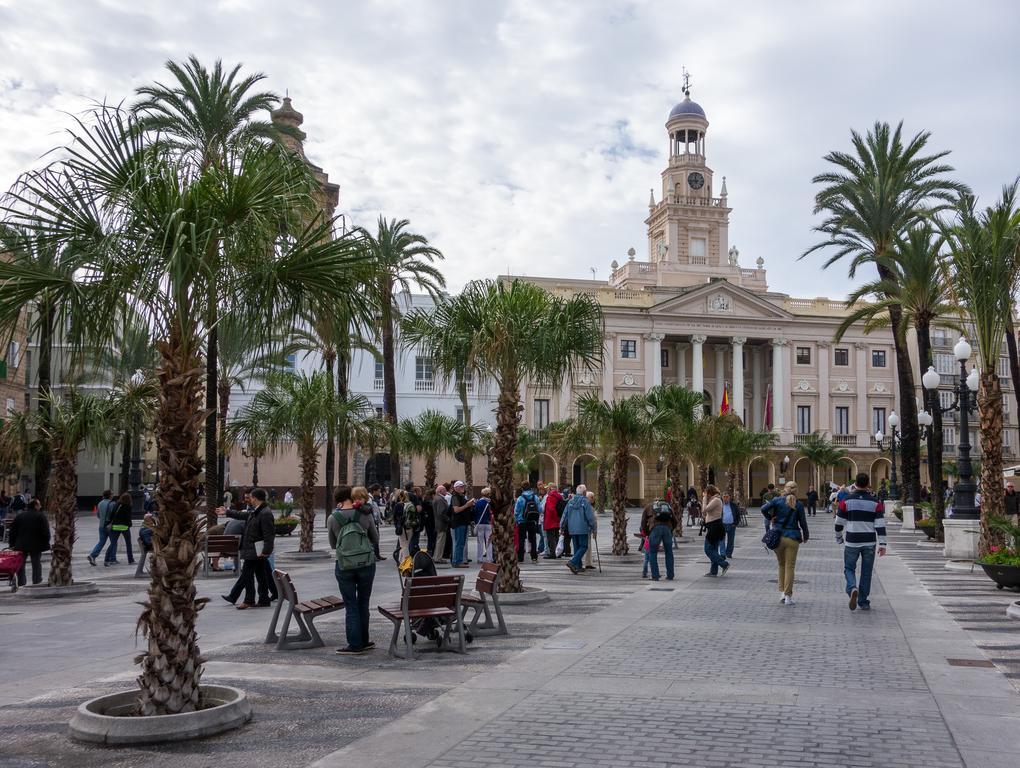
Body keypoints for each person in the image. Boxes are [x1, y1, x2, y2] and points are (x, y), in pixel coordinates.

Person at [329, 485, 379, 654]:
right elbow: (375, 538)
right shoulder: (365, 514)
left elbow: (333, 544)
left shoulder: (333, 518)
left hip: (344, 565)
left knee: (351, 605)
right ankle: (364, 641)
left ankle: (355, 644)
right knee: (363, 603)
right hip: (366, 563)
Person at [835, 472, 886, 612]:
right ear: (868, 484)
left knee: (849, 568)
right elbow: (880, 525)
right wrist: (882, 544)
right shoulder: (875, 503)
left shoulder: (846, 500)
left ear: (855, 484)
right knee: (866, 572)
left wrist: (838, 537)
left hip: (852, 540)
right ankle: (863, 601)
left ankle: (852, 588)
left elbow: (839, 522)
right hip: (869, 541)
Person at [221, 487, 275, 609]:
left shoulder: (265, 513)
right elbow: (242, 515)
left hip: (256, 551)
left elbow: (269, 534)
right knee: (261, 575)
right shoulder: (257, 511)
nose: (249, 499)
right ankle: (264, 599)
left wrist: (266, 551)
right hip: (253, 550)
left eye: (250, 497)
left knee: (247, 574)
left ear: (255, 498)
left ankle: (249, 600)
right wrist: (227, 512)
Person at [762, 481, 810, 605]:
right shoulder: (798, 504)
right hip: (792, 538)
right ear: (796, 491)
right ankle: (788, 596)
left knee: (781, 565)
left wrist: (770, 518)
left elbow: (763, 509)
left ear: (785, 489)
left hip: (778, 537)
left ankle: (782, 592)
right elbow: (803, 522)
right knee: (790, 567)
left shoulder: (777, 500)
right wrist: (806, 535)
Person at [9, 497, 50, 586]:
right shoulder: (40, 516)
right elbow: (46, 532)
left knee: (20, 564)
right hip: (36, 545)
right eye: (39, 505)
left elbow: (12, 531)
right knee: (36, 563)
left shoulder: (20, 516)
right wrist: (46, 542)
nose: (41, 506)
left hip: (21, 545)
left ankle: (21, 582)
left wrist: (12, 544)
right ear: (35, 506)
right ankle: (37, 581)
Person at [560, 484, 596, 575]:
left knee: (577, 547)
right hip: (582, 527)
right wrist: (593, 528)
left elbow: (565, 515)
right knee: (584, 546)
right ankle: (572, 562)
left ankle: (578, 566)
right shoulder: (585, 502)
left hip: (572, 528)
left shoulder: (570, 501)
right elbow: (590, 517)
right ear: (584, 492)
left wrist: (562, 527)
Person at [701, 485, 729, 577]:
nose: (705, 495)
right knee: (713, 549)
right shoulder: (714, 500)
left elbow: (704, 510)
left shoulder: (716, 500)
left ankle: (724, 564)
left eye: (706, 493)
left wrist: (704, 499)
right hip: (714, 526)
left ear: (710, 493)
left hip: (715, 527)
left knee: (708, 549)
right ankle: (713, 571)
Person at [646, 500, 675, 580]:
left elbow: (643, 522)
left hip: (655, 529)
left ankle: (655, 575)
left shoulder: (648, 506)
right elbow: (674, 520)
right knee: (669, 552)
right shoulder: (667, 506)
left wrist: (647, 533)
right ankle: (670, 575)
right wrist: (671, 530)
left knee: (653, 552)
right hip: (667, 529)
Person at [104, 492, 135, 566]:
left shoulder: (117, 505)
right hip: (124, 527)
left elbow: (112, 515)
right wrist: (129, 524)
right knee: (128, 544)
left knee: (112, 543)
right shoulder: (128, 506)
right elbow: (128, 517)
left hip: (115, 526)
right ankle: (130, 560)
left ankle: (106, 560)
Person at [86, 490, 115, 566]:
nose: (113, 495)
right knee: (114, 542)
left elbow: (98, 515)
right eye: (112, 494)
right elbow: (114, 515)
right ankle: (111, 559)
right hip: (109, 525)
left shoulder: (100, 503)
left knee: (101, 542)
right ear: (109, 495)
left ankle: (93, 555)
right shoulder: (112, 504)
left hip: (101, 525)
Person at [514, 481, 541, 563]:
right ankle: (534, 557)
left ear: (522, 488)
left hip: (522, 521)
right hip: (532, 521)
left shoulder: (520, 498)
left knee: (521, 539)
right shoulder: (535, 497)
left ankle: (520, 557)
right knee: (533, 539)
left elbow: (516, 511)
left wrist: (517, 519)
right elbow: (539, 509)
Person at [449, 480, 474, 568]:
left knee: (461, 543)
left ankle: (458, 561)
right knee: (459, 543)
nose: (463, 488)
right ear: (456, 488)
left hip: (463, 522)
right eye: (461, 486)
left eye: (463, 486)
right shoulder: (455, 497)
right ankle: (456, 561)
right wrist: (467, 505)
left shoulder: (460, 496)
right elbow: (456, 510)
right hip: (459, 523)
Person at [542, 485, 564, 559]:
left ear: (551, 489)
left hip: (550, 521)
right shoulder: (559, 497)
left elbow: (551, 509)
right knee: (556, 537)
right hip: (557, 520)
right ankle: (558, 553)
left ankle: (552, 553)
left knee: (550, 538)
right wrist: (558, 518)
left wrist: (555, 518)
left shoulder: (550, 497)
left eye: (548, 489)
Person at [474, 487, 493, 562]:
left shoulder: (478, 502)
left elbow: (475, 513)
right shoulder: (490, 502)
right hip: (488, 523)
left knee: (480, 542)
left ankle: (480, 558)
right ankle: (489, 558)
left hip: (480, 523)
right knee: (489, 541)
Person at [432, 484, 450, 564]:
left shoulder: (438, 498)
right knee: (441, 541)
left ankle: (437, 556)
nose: (446, 491)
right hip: (441, 523)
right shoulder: (440, 499)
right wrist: (448, 519)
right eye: (444, 490)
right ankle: (438, 558)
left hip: (439, 523)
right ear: (440, 491)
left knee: (439, 540)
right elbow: (441, 513)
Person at [720, 492, 741, 559]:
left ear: (729, 498)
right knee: (721, 540)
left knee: (731, 540)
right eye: (724, 497)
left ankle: (728, 553)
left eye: (727, 497)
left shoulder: (733, 505)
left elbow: (738, 514)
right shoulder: (720, 505)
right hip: (722, 525)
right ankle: (722, 553)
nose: (725, 498)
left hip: (732, 525)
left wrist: (735, 523)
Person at [135, 513, 156, 578]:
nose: (153, 521)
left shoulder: (145, 528)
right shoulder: (146, 530)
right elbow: (148, 542)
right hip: (149, 547)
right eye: (152, 520)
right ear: (148, 520)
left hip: (148, 546)